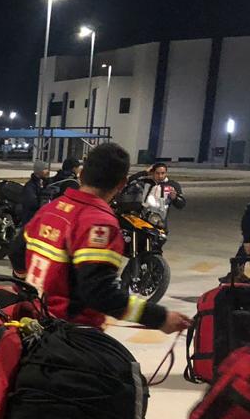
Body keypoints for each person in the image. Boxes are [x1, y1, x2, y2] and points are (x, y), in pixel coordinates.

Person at [22, 142, 190, 333]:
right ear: (121, 184)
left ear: (82, 174)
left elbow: (17, 251)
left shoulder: (50, 209)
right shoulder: (99, 223)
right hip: (69, 331)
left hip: (32, 319)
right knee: (118, 355)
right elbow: (101, 294)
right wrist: (160, 318)